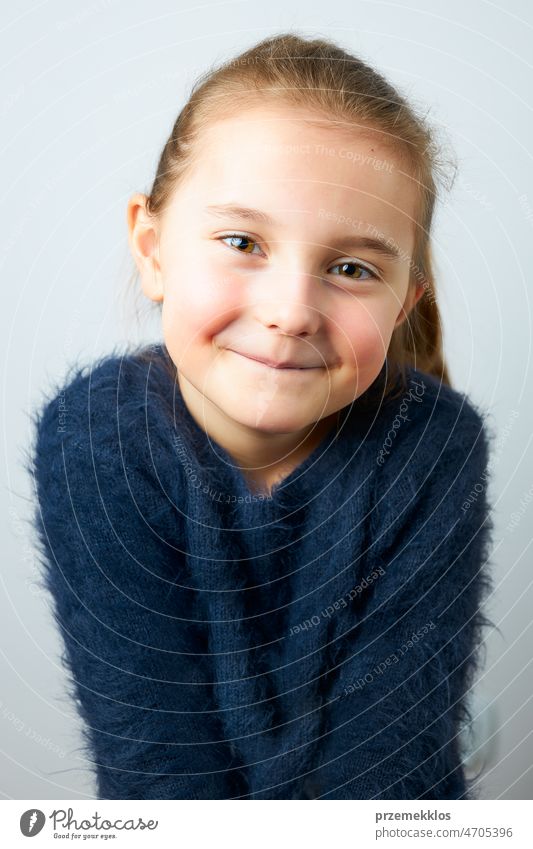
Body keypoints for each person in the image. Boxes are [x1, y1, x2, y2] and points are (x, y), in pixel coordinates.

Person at [27, 32, 495, 800]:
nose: (289, 312)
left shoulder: (431, 444)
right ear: (152, 250)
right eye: (242, 241)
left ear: (404, 299)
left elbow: (387, 768)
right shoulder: (97, 437)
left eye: (351, 268)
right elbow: (158, 768)